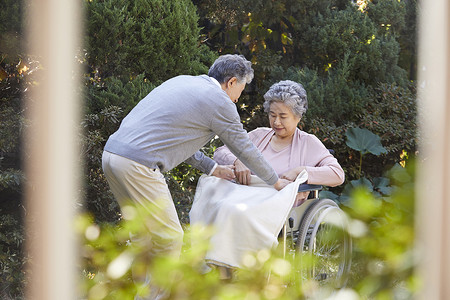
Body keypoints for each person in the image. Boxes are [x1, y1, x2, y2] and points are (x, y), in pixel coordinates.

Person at [101, 54, 290, 298]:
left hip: (112, 155)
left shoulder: (184, 83)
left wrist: (212, 167)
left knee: (143, 235)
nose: (238, 98)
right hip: (138, 165)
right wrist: (274, 181)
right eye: (240, 91)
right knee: (169, 237)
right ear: (231, 82)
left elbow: (174, 138)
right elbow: (244, 148)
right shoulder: (220, 102)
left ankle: (138, 293)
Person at [189, 80, 345, 270]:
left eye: (283, 116)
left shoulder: (308, 143)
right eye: (272, 115)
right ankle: (216, 265)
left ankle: (233, 268)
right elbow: (221, 152)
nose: (276, 122)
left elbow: (337, 174)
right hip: (245, 193)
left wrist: (302, 170)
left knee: (233, 210)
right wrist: (239, 160)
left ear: (297, 117)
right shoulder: (259, 135)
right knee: (216, 203)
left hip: (276, 199)